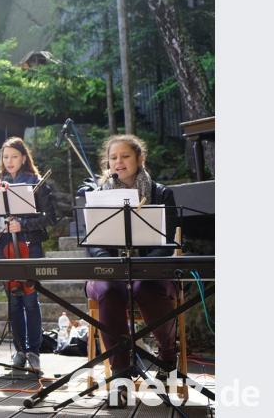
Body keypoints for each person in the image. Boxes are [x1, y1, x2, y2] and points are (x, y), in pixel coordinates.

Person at [84, 134, 178, 407]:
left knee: (146, 286)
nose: (119, 162)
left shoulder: (161, 193)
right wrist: (109, 263)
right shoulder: (99, 195)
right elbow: (95, 244)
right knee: (109, 289)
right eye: (114, 157)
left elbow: (167, 241)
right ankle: (121, 377)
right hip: (110, 270)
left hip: (149, 269)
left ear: (140, 159)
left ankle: (167, 356)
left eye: (125, 156)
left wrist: (144, 266)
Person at [0, 137, 55, 375]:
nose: (9, 161)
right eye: (5, 157)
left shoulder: (36, 183)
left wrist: (24, 225)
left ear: (24, 157)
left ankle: (34, 352)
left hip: (30, 247)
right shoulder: (0, 184)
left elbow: (50, 217)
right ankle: (19, 351)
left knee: (30, 301)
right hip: (5, 249)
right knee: (14, 302)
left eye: (14, 156)